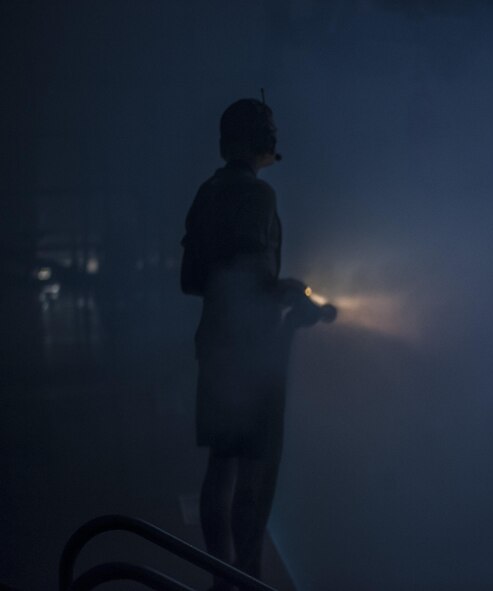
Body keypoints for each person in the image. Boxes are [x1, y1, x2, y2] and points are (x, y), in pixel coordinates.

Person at [180, 97, 334, 589]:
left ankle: (220, 575)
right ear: (260, 140)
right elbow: (251, 275)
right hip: (253, 352)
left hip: (216, 346)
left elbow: (191, 279)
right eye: (270, 130)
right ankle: (248, 574)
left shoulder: (206, 193)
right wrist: (291, 294)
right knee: (254, 470)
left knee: (220, 464)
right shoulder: (259, 198)